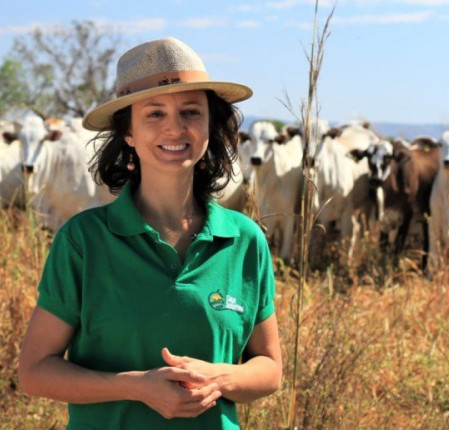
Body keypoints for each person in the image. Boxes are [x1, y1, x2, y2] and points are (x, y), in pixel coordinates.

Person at [18, 37, 281, 429]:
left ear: (210, 124)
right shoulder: (84, 241)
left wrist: (218, 377)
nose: (175, 127)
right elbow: (35, 371)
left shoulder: (244, 240)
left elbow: (270, 369)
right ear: (127, 133)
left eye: (191, 111)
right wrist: (138, 387)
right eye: (154, 114)